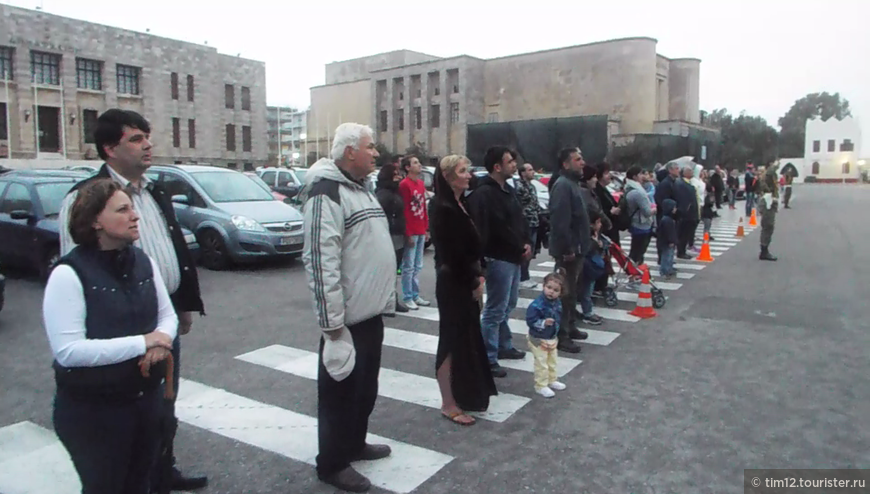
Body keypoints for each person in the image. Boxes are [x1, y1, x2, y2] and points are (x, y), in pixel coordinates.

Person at [57, 109, 206, 492]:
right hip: (118, 322)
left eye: (147, 137)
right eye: (136, 139)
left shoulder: (153, 189)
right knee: (120, 426)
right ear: (109, 148)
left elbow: (172, 247)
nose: (148, 145)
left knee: (161, 404)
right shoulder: (87, 198)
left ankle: (161, 469)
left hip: (161, 313)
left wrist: (182, 304)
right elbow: (82, 269)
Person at [45, 178, 178, 494]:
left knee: (140, 484)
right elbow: (69, 351)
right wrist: (143, 343)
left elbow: (167, 315)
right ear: (94, 221)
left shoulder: (143, 261)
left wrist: (162, 341)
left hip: (145, 403)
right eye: (122, 210)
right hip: (94, 412)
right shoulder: (68, 274)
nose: (135, 216)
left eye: (133, 208)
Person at [299, 123, 396, 492]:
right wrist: (332, 326)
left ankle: (354, 443)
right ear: (350, 151)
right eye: (370, 147)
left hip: (369, 314)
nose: (376, 154)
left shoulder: (359, 189)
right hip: (346, 322)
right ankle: (333, 463)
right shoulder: (326, 193)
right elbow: (322, 262)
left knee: (364, 389)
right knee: (339, 393)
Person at [430, 154, 497, 426]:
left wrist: (479, 275)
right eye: (462, 171)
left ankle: (465, 394)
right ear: (448, 177)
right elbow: (451, 253)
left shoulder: (462, 203)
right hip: (453, 282)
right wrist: (473, 281)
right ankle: (448, 402)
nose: (469, 175)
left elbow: (472, 248)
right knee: (451, 340)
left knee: (467, 339)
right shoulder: (442, 207)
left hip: (467, 278)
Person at [467, 146, 530, 377]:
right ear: (497, 166)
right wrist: (481, 263)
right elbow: (489, 229)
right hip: (498, 256)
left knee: (509, 304)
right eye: (510, 161)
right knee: (495, 309)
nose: (515, 165)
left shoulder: (508, 190)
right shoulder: (484, 194)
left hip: (513, 256)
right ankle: (488, 356)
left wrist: (526, 242)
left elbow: (518, 220)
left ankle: (504, 345)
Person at [547, 147, 590, 354]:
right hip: (569, 251)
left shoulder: (573, 184)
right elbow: (560, 221)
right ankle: (561, 334)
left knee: (572, 292)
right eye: (577, 159)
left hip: (578, 248)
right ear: (565, 164)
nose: (582, 163)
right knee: (564, 293)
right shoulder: (563, 186)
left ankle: (570, 326)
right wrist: (567, 248)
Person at [525, 271, 568, 398]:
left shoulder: (557, 302)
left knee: (552, 360)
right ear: (543, 286)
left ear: (560, 292)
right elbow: (530, 321)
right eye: (549, 287)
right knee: (541, 362)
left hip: (551, 337)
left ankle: (552, 379)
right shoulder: (537, 305)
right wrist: (543, 323)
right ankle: (541, 385)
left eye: (556, 290)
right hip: (538, 338)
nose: (551, 292)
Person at [375, 163, 409, 313]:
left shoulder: (395, 192)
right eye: (396, 174)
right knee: (389, 270)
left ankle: (391, 299)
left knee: (395, 270)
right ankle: (385, 301)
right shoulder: (384, 193)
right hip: (389, 235)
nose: (399, 176)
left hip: (397, 234)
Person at [398, 155, 431, 310]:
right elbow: (404, 210)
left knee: (417, 265)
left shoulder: (420, 184)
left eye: (418, 162)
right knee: (408, 266)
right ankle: (408, 296)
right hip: (411, 230)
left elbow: (424, 208)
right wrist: (408, 232)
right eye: (415, 163)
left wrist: (425, 229)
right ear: (407, 167)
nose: (419, 165)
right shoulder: (404, 185)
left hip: (420, 228)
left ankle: (415, 294)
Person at [516, 162, 544, 290]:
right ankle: (522, 277)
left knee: (532, 250)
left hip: (534, 221)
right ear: (523, 173)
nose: (533, 172)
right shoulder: (519, 186)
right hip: (525, 222)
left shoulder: (532, 186)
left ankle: (525, 275)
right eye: (530, 170)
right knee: (525, 250)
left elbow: (536, 204)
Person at [579, 210, 608, 325]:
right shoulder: (586, 235)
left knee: (588, 290)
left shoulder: (594, 234)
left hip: (593, 266)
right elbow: (587, 249)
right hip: (588, 267)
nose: (600, 225)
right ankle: (587, 313)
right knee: (586, 291)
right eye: (599, 222)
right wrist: (596, 243)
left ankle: (587, 311)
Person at [623, 166, 654, 265]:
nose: (643, 176)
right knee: (638, 252)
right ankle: (634, 271)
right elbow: (647, 212)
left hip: (635, 223)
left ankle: (634, 270)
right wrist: (654, 209)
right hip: (641, 224)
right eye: (641, 174)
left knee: (635, 251)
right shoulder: (638, 192)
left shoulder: (629, 188)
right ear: (635, 176)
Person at [674, 162, 699, 260]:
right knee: (683, 234)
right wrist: (686, 211)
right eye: (690, 171)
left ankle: (682, 250)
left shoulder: (688, 183)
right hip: (687, 215)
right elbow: (684, 200)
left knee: (687, 233)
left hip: (691, 214)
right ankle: (681, 251)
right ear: (684, 173)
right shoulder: (682, 184)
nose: (692, 172)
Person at [757, 162, 780, 261]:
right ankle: (764, 251)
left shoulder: (769, 175)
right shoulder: (768, 174)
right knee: (768, 226)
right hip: (767, 202)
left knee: (769, 227)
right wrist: (775, 165)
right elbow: (770, 172)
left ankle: (765, 250)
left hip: (770, 201)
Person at [656, 198, 678, 279]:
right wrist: (671, 240)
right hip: (666, 242)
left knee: (670, 256)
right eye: (674, 207)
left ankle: (669, 269)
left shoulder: (668, 219)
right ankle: (664, 271)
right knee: (666, 256)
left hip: (667, 241)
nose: (675, 209)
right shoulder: (667, 220)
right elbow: (668, 232)